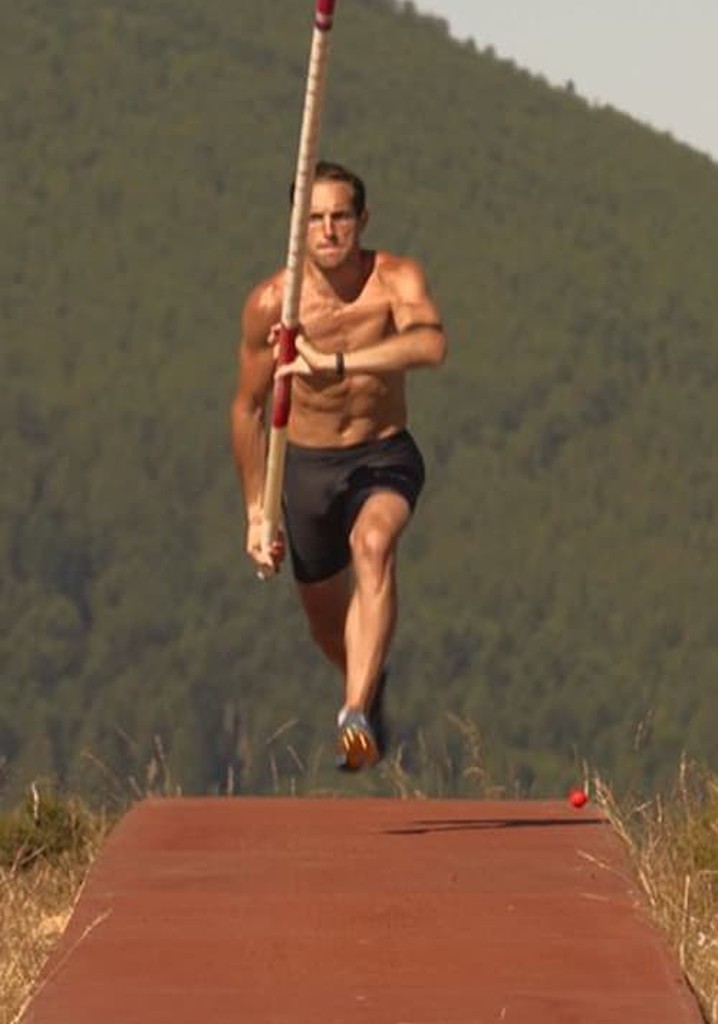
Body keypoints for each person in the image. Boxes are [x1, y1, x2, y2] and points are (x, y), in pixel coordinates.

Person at [231, 160, 446, 771]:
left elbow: (431, 344)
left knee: (373, 544)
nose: (328, 230)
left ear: (362, 220)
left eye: (340, 217)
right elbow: (247, 408)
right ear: (297, 226)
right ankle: (368, 682)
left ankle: (353, 711)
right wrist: (257, 512)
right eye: (315, 218)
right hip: (306, 471)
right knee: (329, 627)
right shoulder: (272, 304)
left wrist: (339, 364)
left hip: (383, 454)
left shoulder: (394, 279)